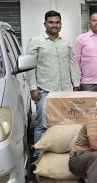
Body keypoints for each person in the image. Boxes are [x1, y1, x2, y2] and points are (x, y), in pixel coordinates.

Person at [26, 10, 80, 159]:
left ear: (61, 24)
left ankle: (60, 155)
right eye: (51, 22)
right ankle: (38, 157)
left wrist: (76, 84)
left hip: (64, 92)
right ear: (45, 24)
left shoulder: (66, 42)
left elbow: (72, 64)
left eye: (57, 22)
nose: (54, 25)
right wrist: (33, 88)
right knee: (42, 124)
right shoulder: (36, 42)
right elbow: (30, 67)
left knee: (64, 123)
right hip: (45, 90)